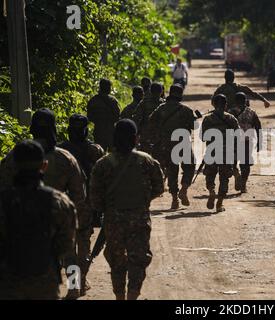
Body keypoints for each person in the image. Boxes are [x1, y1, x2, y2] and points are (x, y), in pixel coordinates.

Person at [0, 108, 86, 299]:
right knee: (71, 253)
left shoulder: (15, 155)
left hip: (16, 219)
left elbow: (2, 185)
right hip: (55, 216)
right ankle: (74, 286)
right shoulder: (66, 158)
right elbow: (79, 193)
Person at [90, 119, 164, 300]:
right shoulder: (146, 161)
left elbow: (95, 197)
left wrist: (108, 209)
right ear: (135, 138)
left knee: (117, 261)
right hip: (139, 218)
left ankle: (119, 297)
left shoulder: (103, 164)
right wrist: (143, 201)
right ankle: (132, 295)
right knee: (138, 260)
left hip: (113, 221)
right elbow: (159, 187)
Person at [59, 114, 105, 296]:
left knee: (69, 248)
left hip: (65, 205)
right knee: (84, 245)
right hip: (86, 205)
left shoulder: (60, 151)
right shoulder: (95, 150)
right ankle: (82, 280)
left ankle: (73, 285)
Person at [146, 84, 196, 209]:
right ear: (180, 95)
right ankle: (184, 189)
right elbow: (193, 126)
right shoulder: (186, 110)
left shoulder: (160, 108)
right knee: (190, 166)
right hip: (183, 142)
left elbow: (151, 122)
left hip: (166, 144)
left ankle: (174, 199)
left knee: (172, 170)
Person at [201, 94, 240, 212]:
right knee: (224, 177)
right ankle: (219, 203)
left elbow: (203, 137)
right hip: (226, 152)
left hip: (212, 151)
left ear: (214, 104)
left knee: (210, 175)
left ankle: (211, 191)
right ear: (226, 105)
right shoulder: (231, 118)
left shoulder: (207, 119)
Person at [228, 92, 262, 193]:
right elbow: (258, 127)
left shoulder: (230, 112)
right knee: (245, 164)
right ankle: (243, 184)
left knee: (232, 163)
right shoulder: (252, 112)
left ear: (235, 101)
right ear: (245, 100)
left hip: (233, 142)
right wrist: (260, 142)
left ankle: (236, 173)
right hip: (247, 142)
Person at [87, 79, 121, 151]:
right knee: (112, 155)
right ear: (108, 88)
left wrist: (99, 120)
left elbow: (89, 117)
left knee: (99, 153)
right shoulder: (113, 101)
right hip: (111, 132)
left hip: (98, 131)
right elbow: (117, 117)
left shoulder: (94, 100)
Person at [134, 82, 165, 155]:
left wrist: (138, 132)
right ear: (161, 92)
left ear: (150, 91)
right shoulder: (164, 104)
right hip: (160, 135)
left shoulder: (144, 102)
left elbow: (137, 117)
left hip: (146, 134)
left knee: (145, 156)